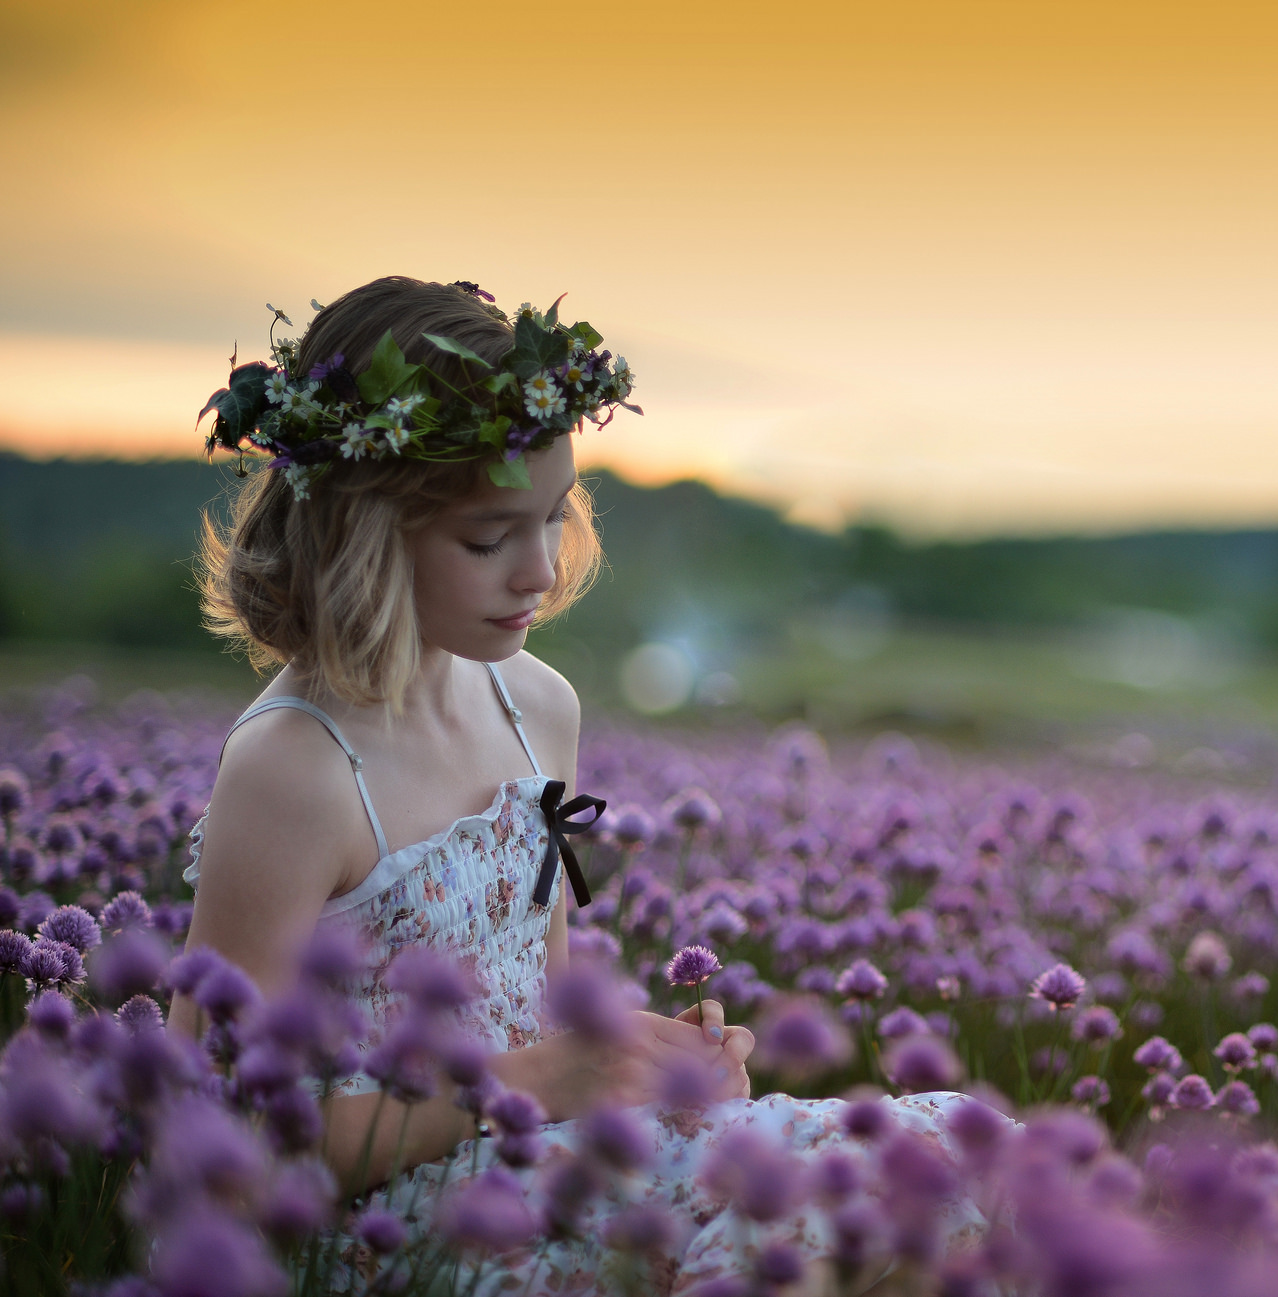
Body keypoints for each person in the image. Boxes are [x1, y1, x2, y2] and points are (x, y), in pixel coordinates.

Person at [170, 276, 989, 1291]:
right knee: (825, 1215)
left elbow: (548, 1013)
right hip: (400, 1228)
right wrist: (528, 1083)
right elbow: (217, 1142)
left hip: (550, 1161)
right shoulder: (293, 768)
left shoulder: (537, 707)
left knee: (965, 1141)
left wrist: (647, 1062)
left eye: (553, 517)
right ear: (361, 529)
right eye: (487, 536)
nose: (538, 569)